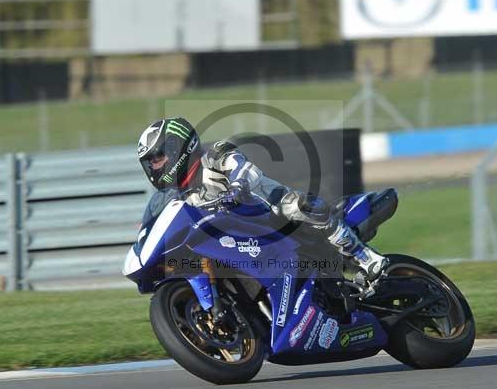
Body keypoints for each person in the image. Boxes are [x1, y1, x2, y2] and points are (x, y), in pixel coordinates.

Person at [136, 117, 387, 283]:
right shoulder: (178, 198)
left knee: (297, 205)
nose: (155, 167)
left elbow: (243, 168)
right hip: (239, 240)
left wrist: (236, 186)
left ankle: (366, 257)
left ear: (176, 147)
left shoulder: (214, 155)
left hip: (268, 213)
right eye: (151, 164)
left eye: (158, 159)